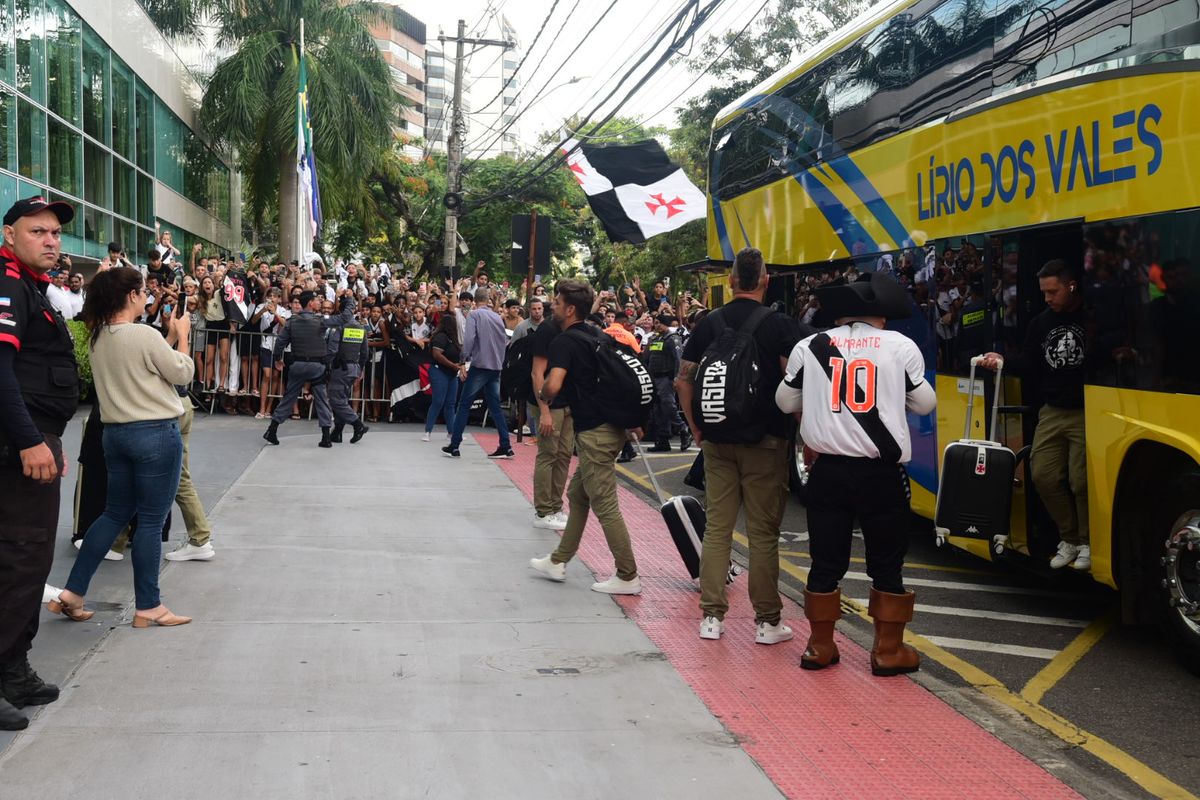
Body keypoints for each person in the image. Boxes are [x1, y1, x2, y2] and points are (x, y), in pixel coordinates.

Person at [775, 271, 936, 676]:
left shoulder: (810, 345)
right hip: (882, 474)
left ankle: (820, 646)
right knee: (886, 562)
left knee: (825, 560)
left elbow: (783, 401)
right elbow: (924, 404)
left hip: (827, 471)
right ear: (878, 316)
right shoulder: (900, 346)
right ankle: (887, 651)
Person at [51, 267, 195, 629]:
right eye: (143, 291)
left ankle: (73, 591)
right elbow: (181, 372)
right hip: (155, 433)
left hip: (114, 434)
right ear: (131, 295)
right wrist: (182, 338)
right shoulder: (142, 334)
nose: (146, 296)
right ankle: (149, 606)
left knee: (113, 514)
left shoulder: (98, 336)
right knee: (149, 520)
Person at [676, 247, 806, 646]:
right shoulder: (780, 326)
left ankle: (712, 618)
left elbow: (684, 380)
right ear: (765, 281)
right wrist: (804, 433)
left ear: (731, 281)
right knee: (764, 533)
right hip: (766, 441)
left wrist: (697, 429)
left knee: (718, 528)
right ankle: (767, 623)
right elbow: (795, 382)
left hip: (716, 440)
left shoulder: (708, 324)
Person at [0, 196, 80, 730]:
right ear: (10, 235)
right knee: (21, 558)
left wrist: (47, 439)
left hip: (34, 439)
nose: (51, 240)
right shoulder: (8, 283)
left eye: (55, 232)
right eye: (38, 231)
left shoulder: (31, 286)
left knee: (27, 560)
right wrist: (31, 440)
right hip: (16, 445)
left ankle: (14, 669)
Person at [529, 279, 641, 595]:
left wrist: (542, 392)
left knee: (605, 502)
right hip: (610, 427)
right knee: (579, 496)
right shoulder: (595, 332)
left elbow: (552, 386)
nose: (552, 303)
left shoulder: (565, 342)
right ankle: (558, 559)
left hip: (595, 433)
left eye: (556, 299)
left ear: (570, 308)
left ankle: (628, 575)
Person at [980, 259, 1091, 570]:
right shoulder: (1041, 322)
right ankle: (1069, 539)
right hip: (1053, 410)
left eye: (1052, 291)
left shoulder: (1091, 317)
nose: (1047, 298)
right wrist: (1002, 360)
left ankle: (1086, 543)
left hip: (1086, 409)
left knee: (1081, 481)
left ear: (1071, 286)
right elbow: (1029, 361)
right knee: (1041, 474)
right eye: (1044, 292)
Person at [263, 290, 355, 448]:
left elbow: (280, 343)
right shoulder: (321, 320)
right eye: (317, 300)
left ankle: (272, 429)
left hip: (297, 365)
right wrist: (351, 299)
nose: (319, 302)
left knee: (288, 398)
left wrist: (278, 359)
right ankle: (326, 437)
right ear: (310, 303)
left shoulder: (292, 321)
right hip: (316, 367)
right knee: (322, 400)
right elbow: (345, 317)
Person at [443, 287, 514, 460]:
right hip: (495, 366)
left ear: (474, 300)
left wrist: (462, 360)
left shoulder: (474, 315)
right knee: (495, 406)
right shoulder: (498, 317)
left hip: (480, 365)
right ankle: (506, 445)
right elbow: (505, 341)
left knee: (464, 405)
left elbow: (468, 340)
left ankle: (455, 445)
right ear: (488, 299)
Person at [529, 312, 570, 530]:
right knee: (548, 454)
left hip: (567, 403)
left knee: (563, 455)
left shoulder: (573, 329)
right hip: (548, 402)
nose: (555, 306)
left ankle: (555, 507)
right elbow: (537, 373)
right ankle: (543, 511)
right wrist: (544, 409)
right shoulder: (547, 330)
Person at [327, 300, 370, 445]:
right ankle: (337, 432)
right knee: (342, 399)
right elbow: (365, 352)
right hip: (354, 368)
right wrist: (361, 368)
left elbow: (332, 350)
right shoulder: (360, 327)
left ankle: (358, 425)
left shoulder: (339, 326)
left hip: (340, 368)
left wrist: (326, 365)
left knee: (336, 400)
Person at [646, 311, 688, 452]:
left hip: (666, 378)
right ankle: (663, 439)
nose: (656, 325)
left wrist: (677, 378)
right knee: (658, 410)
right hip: (654, 378)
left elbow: (678, 359)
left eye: (659, 323)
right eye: (655, 323)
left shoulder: (672, 338)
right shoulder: (655, 339)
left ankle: (683, 430)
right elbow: (648, 358)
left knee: (668, 406)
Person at [424, 313, 462, 442]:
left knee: (451, 403)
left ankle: (452, 432)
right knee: (438, 401)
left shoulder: (453, 339)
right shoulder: (441, 337)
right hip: (439, 371)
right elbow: (437, 354)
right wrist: (452, 365)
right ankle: (428, 431)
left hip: (451, 373)